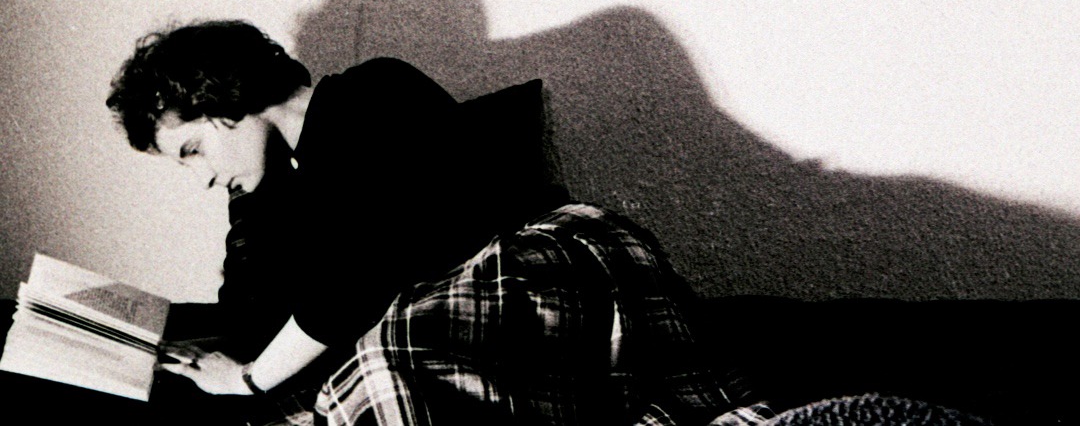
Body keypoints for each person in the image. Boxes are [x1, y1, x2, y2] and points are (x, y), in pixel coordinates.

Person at [107, 21, 765, 426]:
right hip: (452, 320)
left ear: (222, 102)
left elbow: (358, 277)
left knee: (383, 360)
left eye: (192, 150)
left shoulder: (372, 93)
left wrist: (248, 378)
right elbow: (261, 316)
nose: (201, 176)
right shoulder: (275, 192)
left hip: (540, 266)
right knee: (353, 371)